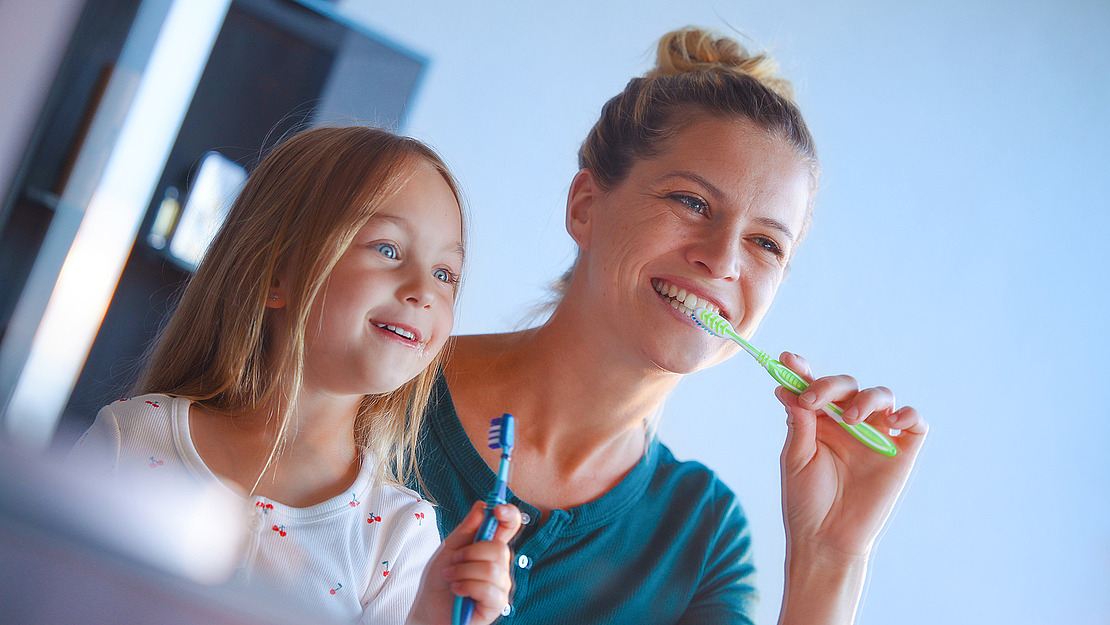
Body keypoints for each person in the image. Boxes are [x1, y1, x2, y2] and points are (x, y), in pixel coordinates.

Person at [413, 27, 928, 624]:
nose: (725, 260)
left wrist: (832, 557)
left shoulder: (703, 538)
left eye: (766, 242)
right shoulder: (379, 386)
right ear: (585, 205)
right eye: (692, 203)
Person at [67, 126, 521, 625]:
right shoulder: (132, 434)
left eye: (445, 274)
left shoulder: (398, 534)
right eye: (388, 249)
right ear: (276, 275)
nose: (424, 290)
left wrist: (433, 616)